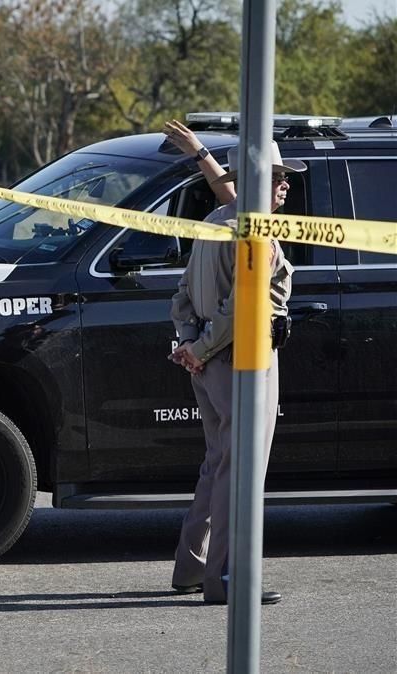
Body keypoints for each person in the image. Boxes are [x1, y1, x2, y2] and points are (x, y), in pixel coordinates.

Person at [167, 138, 302, 606]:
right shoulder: (254, 235)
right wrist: (200, 347)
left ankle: (193, 566)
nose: (286, 184)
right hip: (242, 360)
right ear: (257, 181)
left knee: (219, 465)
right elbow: (241, 307)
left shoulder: (215, 223)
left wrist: (189, 344)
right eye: (280, 176)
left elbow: (182, 293)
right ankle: (224, 579)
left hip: (209, 362)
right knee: (241, 473)